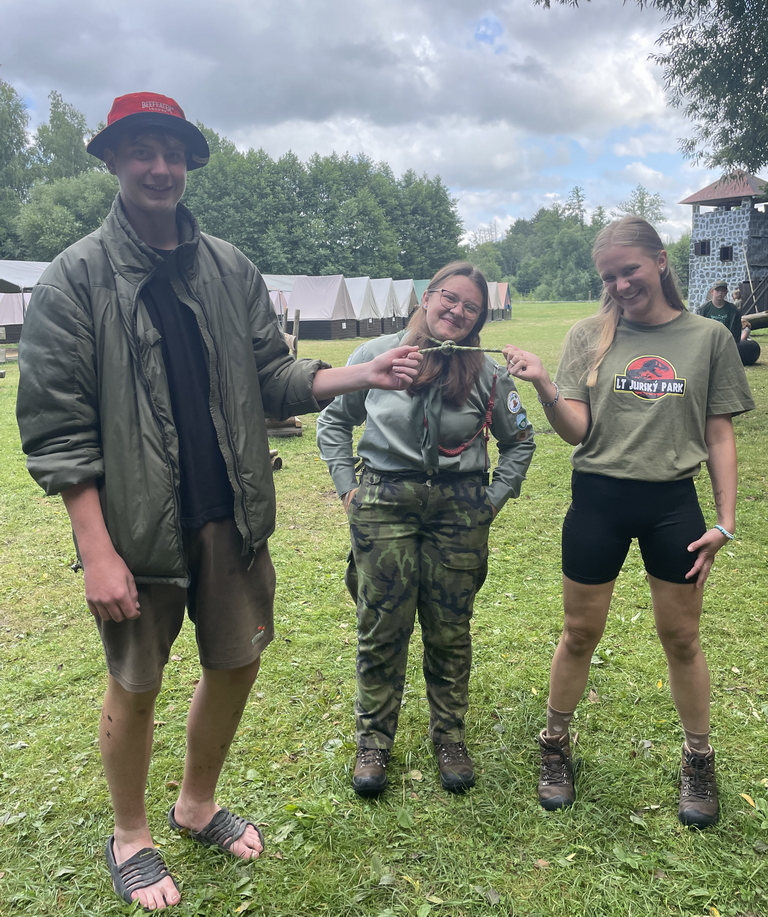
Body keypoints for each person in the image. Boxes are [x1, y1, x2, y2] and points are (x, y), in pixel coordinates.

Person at [16, 92, 420, 911]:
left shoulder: (231, 268)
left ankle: (196, 805)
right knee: (137, 683)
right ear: (113, 160)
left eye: (173, 151)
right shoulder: (74, 278)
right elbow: (58, 427)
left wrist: (363, 373)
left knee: (237, 663)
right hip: (136, 531)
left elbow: (273, 374)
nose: (160, 167)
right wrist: (97, 550)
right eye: (142, 150)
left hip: (231, 516)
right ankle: (131, 835)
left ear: (190, 163)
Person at [504, 217, 753, 829]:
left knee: (683, 639)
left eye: (630, 270)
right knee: (579, 632)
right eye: (609, 277)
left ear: (660, 261)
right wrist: (544, 384)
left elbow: (719, 433)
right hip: (598, 503)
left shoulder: (708, 337)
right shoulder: (588, 335)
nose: (620, 285)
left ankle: (699, 758)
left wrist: (725, 521)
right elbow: (577, 432)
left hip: (673, 506)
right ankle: (555, 743)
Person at [316, 262, 535, 796]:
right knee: (381, 625)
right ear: (427, 297)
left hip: (459, 510)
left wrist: (491, 501)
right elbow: (333, 421)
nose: (457, 312)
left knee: (449, 628)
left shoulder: (487, 372)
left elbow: (520, 441)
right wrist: (347, 488)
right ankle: (373, 742)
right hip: (384, 503)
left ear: (479, 319)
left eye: (471, 307)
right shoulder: (375, 354)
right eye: (449, 298)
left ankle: (450, 737)